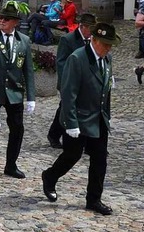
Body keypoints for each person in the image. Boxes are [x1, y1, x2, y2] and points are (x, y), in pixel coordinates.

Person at [41, 22, 121, 216]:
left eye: (110, 44)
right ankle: (50, 176)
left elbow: (106, 91)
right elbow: (69, 94)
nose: (108, 48)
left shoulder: (107, 58)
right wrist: (70, 123)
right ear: (93, 40)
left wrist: (107, 117)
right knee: (72, 155)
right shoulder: (77, 59)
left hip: (99, 119)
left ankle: (94, 199)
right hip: (80, 118)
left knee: (100, 159)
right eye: (105, 44)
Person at [0, 3, 35, 179]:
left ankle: (11, 164)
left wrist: (31, 97)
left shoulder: (23, 41)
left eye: (6, 19)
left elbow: (28, 70)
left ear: (16, 22)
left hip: (14, 92)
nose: (2, 21)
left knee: (17, 129)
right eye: (0, 17)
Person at [47, 13, 97, 149]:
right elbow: (61, 62)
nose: (91, 32)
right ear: (82, 27)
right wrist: (67, 82)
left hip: (86, 82)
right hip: (70, 82)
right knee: (65, 108)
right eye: (90, 29)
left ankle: (88, 140)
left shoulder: (92, 40)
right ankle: (54, 134)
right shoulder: (68, 39)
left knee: (84, 108)